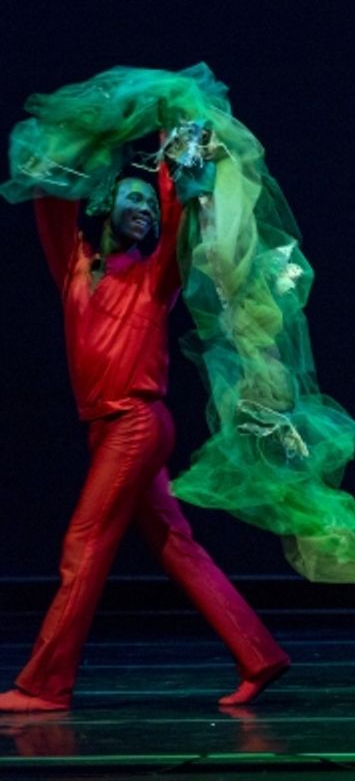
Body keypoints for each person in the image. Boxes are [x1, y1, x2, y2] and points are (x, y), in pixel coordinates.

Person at [0, 161, 289, 713]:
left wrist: (169, 163)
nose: (146, 210)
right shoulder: (75, 268)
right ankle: (258, 653)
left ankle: (45, 685)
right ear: (106, 206)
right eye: (134, 199)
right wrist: (62, 152)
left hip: (135, 423)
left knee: (83, 546)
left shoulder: (155, 276)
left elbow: (178, 214)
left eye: (151, 206)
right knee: (176, 546)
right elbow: (52, 204)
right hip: (106, 430)